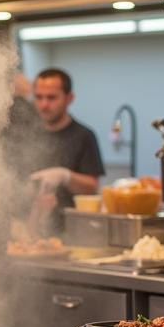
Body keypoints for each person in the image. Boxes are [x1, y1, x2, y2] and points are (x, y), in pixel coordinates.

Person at [27, 67, 105, 231]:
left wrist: (66, 176)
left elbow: (92, 187)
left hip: (70, 230)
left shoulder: (84, 136)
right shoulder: (25, 134)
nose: (44, 104)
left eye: (52, 98)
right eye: (39, 97)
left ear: (69, 98)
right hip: (30, 230)